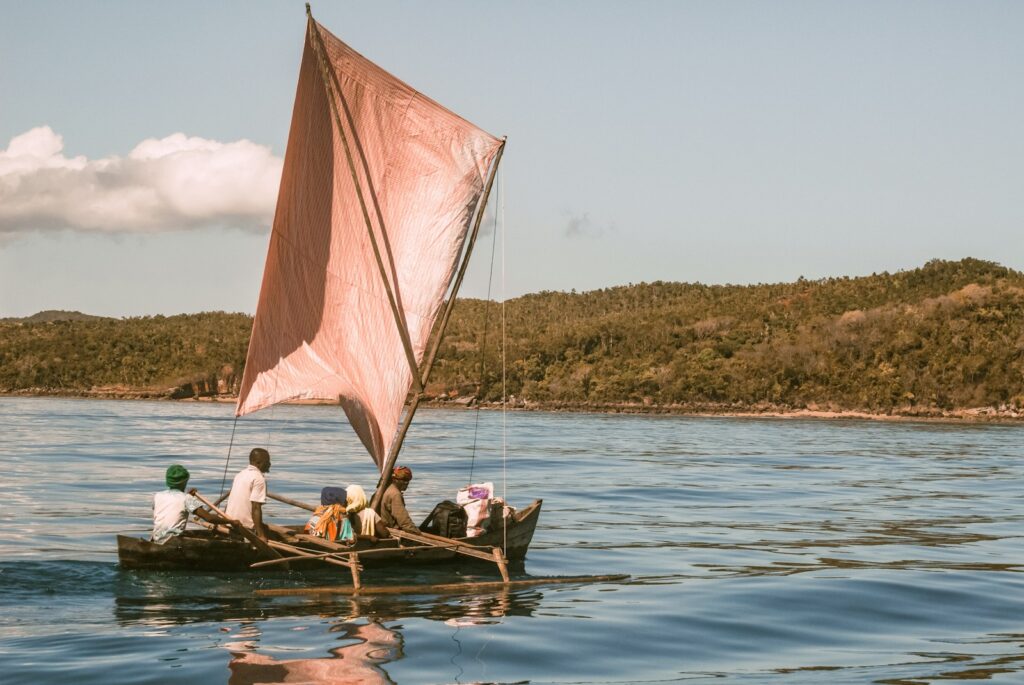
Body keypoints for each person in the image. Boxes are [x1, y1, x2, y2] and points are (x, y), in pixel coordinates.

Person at [151, 464, 225, 544]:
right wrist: (231, 522)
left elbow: (173, 504)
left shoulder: (158, 495)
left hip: (157, 538)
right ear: (185, 481)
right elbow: (209, 518)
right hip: (173, 542)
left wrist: (189, 497)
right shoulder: (186, 498)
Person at [225, 447, 271, 540]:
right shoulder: (259, 478)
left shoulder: (240, 474)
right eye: (267, 462)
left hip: (229, 523)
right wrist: (261, 535)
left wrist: (224, 522)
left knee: (267, 529)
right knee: (268, 534)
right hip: (245, 527)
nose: (269, 465)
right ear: (258, 463)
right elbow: (256, 507)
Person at [378, 465, 419, 535]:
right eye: (403, 480)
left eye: (408, 480)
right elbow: (404, 522)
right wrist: (417, 533)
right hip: (391, 532)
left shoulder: (384, 489)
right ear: (394, 479)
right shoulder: (395, 494)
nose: (406, 483)